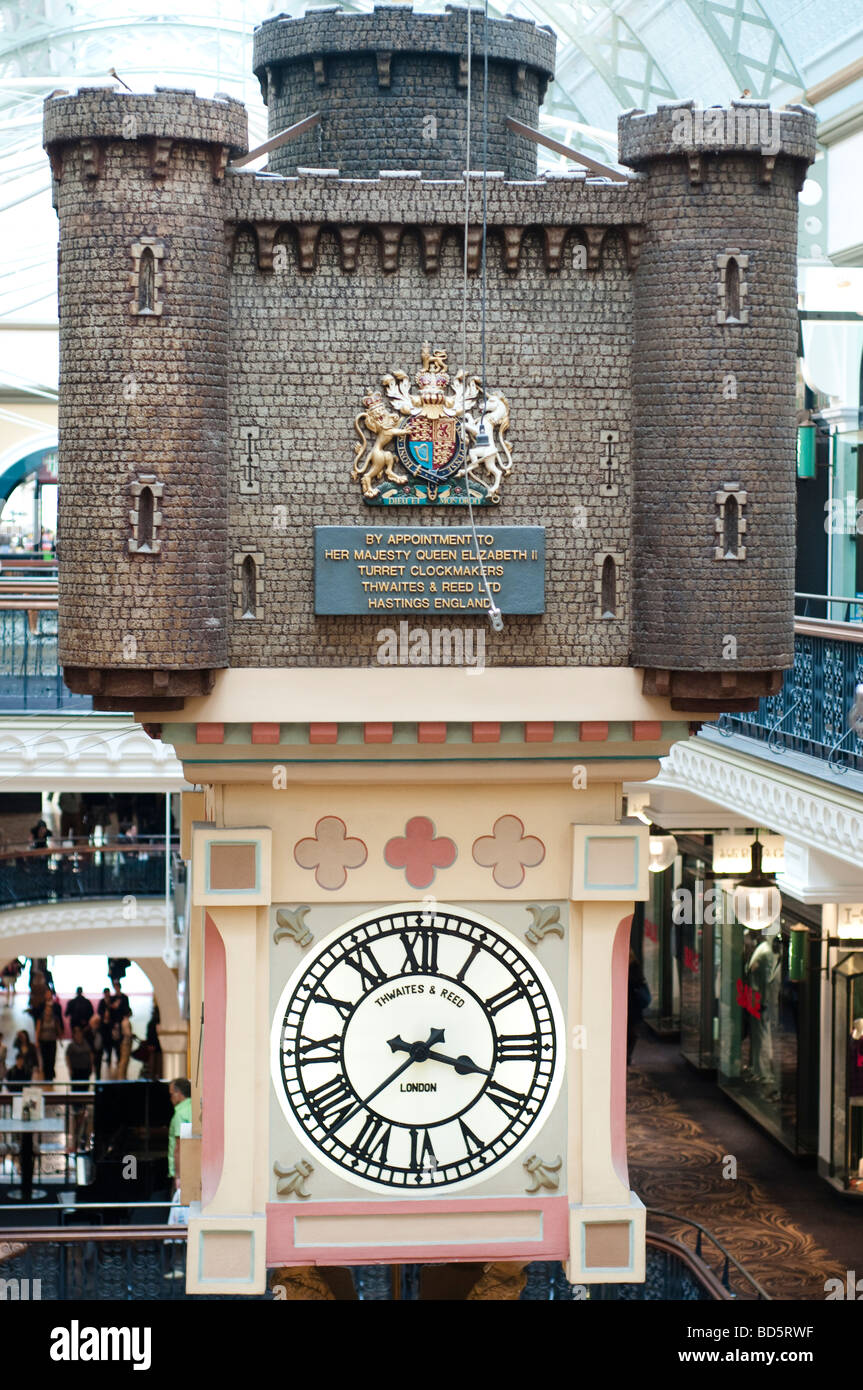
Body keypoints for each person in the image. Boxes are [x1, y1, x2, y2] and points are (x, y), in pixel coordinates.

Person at [167, 1078, 192, 1193]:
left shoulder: (180, 1115)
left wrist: (178, 1176)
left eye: (171, 1094)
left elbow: (179, 1147)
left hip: (182, 1172)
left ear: (179, 1093)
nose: (170, 1098)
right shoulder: (194, 1108)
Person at [627, 949, 651, 1066]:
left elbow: (637, 982)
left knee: (631, 1034)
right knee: (632, 1034)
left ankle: (626, 1056)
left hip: (632, 1007)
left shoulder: (634, 967)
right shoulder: (635, 966)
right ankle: (626, 1056)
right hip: (632, 1007)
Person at [34, 989, 64, 1081]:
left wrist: (60, 1039)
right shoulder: (41, 1015)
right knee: (45, 1058)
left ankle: (50, 1074)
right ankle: (46, 1075)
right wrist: (37, 1041)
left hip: (52, 1039)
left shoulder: (55, 1014)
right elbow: (38, 1029)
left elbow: (58, 1027)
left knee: (52, 1058)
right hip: (43, 1040)